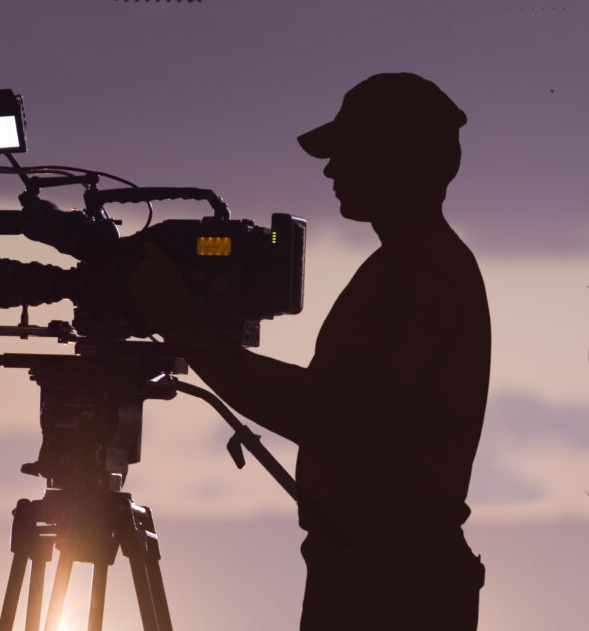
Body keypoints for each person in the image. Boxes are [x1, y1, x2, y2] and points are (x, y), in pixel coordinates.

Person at [129, 72, 490, 630]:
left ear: (394, 158)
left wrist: (182, 327)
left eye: (348, 152)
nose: (330, 169)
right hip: (387, 573)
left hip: (385, 588)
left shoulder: (410, 274)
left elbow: (328, 414)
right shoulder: (428, 264)